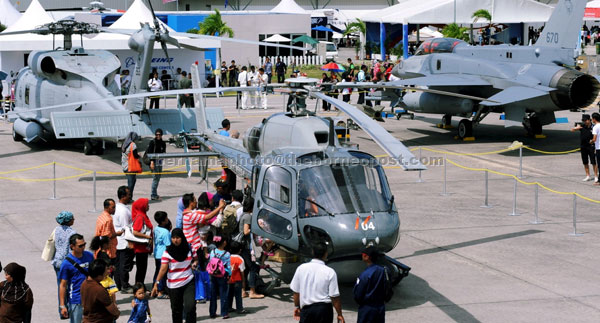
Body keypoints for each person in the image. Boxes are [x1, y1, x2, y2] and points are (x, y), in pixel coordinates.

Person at [151, 228, 198, 323]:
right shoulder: (167, 252)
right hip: (173, 286)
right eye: (173, 238)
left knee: (190, 306)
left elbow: (195, 259)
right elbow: (163, 269)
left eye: (177, 238)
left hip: (188, 282)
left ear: (182, 238)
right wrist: (156, 283)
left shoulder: (189, 248)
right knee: (176, 311)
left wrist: (194, 263)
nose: (175, 240)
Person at [290, 242, 344, 323]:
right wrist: (339, 314)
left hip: (307, 310)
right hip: (324, 311)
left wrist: (297, 306)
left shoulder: (301, 268)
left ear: (312, 252)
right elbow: (334, 296)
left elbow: (296, 292)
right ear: (326, 254)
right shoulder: (330, 272)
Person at [59, 234, 95, 322]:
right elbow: (63, 285)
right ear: (72, 246)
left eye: (84, 244)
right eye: (80, 246)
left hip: (91, 298)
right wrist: (62, 305)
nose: (83, 247)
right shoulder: (66, 264)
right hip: (76, 300)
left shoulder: (90, 256)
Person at [237, 196, 264, 299]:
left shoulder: (243, 214)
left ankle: (243, 290)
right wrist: (256, 227)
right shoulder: (248, 216)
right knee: (253, 267)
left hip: (243, 246)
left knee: (246, 269)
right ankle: (252, 292)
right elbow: (246, 231)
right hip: (246, 247)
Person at [353, 246, 388, 323]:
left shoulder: (365, 275)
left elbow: (358, 295)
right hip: (380, 307)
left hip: (367, 309)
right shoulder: (384, 271)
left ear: (366, 257)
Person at [52, 211, 76, 315]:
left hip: (57, 261)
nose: (74, 220)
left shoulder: (57, 230)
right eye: (72, 218)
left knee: (60, 286)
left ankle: (61, 309)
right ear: (69, 221)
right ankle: (69, 309)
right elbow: (72, 250)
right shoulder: (72, 233)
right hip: (67, 263)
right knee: (69, 287)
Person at [113, 186, 134, 293]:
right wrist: (130, 242)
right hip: (123, 242)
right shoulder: (123, 211)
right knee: (124, 265)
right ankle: (124, 285)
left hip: (118, 242)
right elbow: (126, 228)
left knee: (118, 265)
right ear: (123, 196)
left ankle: (119, 284)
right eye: (128, 194)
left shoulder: (119, 208)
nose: (130, 196)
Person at [131, 198, 153, 285]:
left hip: (143, 248)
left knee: (142, 269)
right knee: (141, 269)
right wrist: (147, 237)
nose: (148, 206)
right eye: (147, 204)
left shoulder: (143, 215)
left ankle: (140, 286)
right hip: (140, 249)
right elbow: (135, 231)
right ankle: (139, 287)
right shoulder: (140, 217)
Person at [209, 236, 231, 319]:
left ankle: (212, 312)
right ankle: (224, 313)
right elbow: (228, 266)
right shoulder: (227, 254)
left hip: (213, 274)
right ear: (224, 243)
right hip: (222, 275)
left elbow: (211, 262)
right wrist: (229, 274)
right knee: (223, 294)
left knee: (213, 294)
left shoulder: (212, 252)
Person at [95, 199, 122, 265]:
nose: (114, 209)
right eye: (113, 207)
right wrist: (117, 234)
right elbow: (106, 236)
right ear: (107, 207)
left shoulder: (101, 216)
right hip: (108, 252)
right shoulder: (108, 220)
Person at [572, 114, 598, 182]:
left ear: (589, 120)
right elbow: (572, 130)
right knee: (585, 162)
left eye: (585, 120)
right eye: (583, 120)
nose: (584, 122)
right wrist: (576, 128)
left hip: (591, 146)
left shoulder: (593, 127)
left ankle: (596, 176)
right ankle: (587, 175)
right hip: (583, 146)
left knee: (593, 162)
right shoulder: (582, 126)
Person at [153, 211, 171, 299]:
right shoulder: (166, 232)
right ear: (164, 221)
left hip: (157, 254)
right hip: (163, 255)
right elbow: (168, 245)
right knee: (163, 274)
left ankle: (155, 288)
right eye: (166, 218)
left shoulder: (156, 229)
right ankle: (160, 291)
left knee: (157, 271)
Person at [227, 242, 248, 315]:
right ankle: (239, 309)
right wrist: (243, 283)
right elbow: (242, 272)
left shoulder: (227, 257)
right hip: (237, 280)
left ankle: (228, 307)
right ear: (240, 250)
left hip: (228, 279)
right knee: (238, 295)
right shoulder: (240, 259)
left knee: (229, 294)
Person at [146, 128, 167, 201]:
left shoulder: (163, 143)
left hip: (160, 161)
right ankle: (153, 194)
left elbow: (164, 152)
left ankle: (155, 193)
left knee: (158, 178)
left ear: (161, 135)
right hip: (154, 162)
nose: (158, 136)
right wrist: (152, 162)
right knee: (155, 178)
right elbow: (150, 152)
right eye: (156, 134)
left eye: (159, 134)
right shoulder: (152, 142)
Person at [121, 132, 141, 198]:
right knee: (131, 183)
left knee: (130, 182)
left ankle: (128, 197)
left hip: (125, 166)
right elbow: (135, 156)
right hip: (130, 167)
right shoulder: (133, 145)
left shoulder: (125, 144)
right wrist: (139, 155)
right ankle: (128, 198)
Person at [592, 112, 600, 185]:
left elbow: (594, 139)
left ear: (594, 119)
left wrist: (590, 141)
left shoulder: (595, 127)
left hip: (599, 148)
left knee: (599, 164)